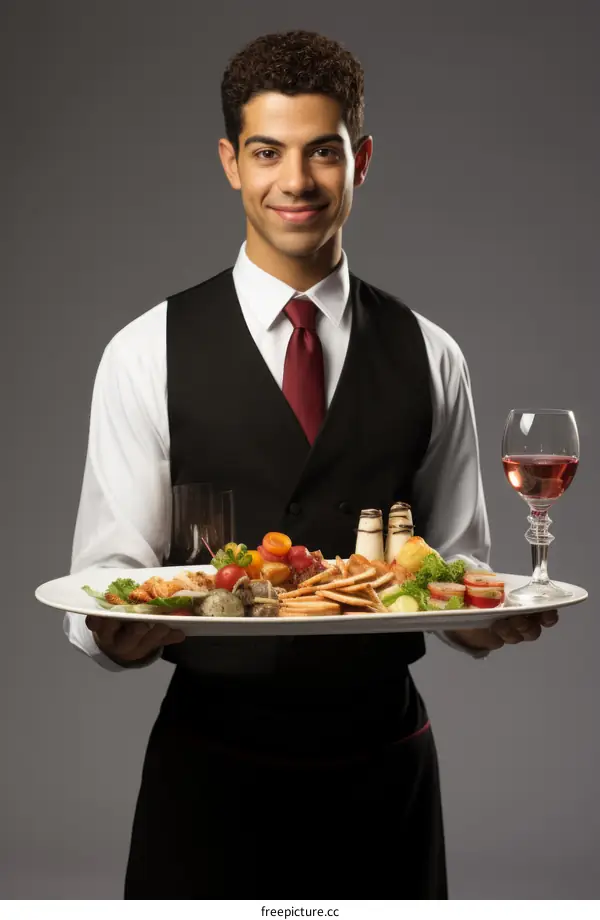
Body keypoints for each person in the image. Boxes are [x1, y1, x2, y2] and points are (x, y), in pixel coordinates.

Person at [64, 30, 558, 898]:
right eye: (267, 152)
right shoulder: (145, 352)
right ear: (230, 162)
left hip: (382, 764)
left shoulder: (431, 353)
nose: (295, 182)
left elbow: (455, 569)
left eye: (322, 152)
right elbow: (109, 575)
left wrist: (487, 617)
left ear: (360, 160)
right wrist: (114, 633)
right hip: (210, 767)